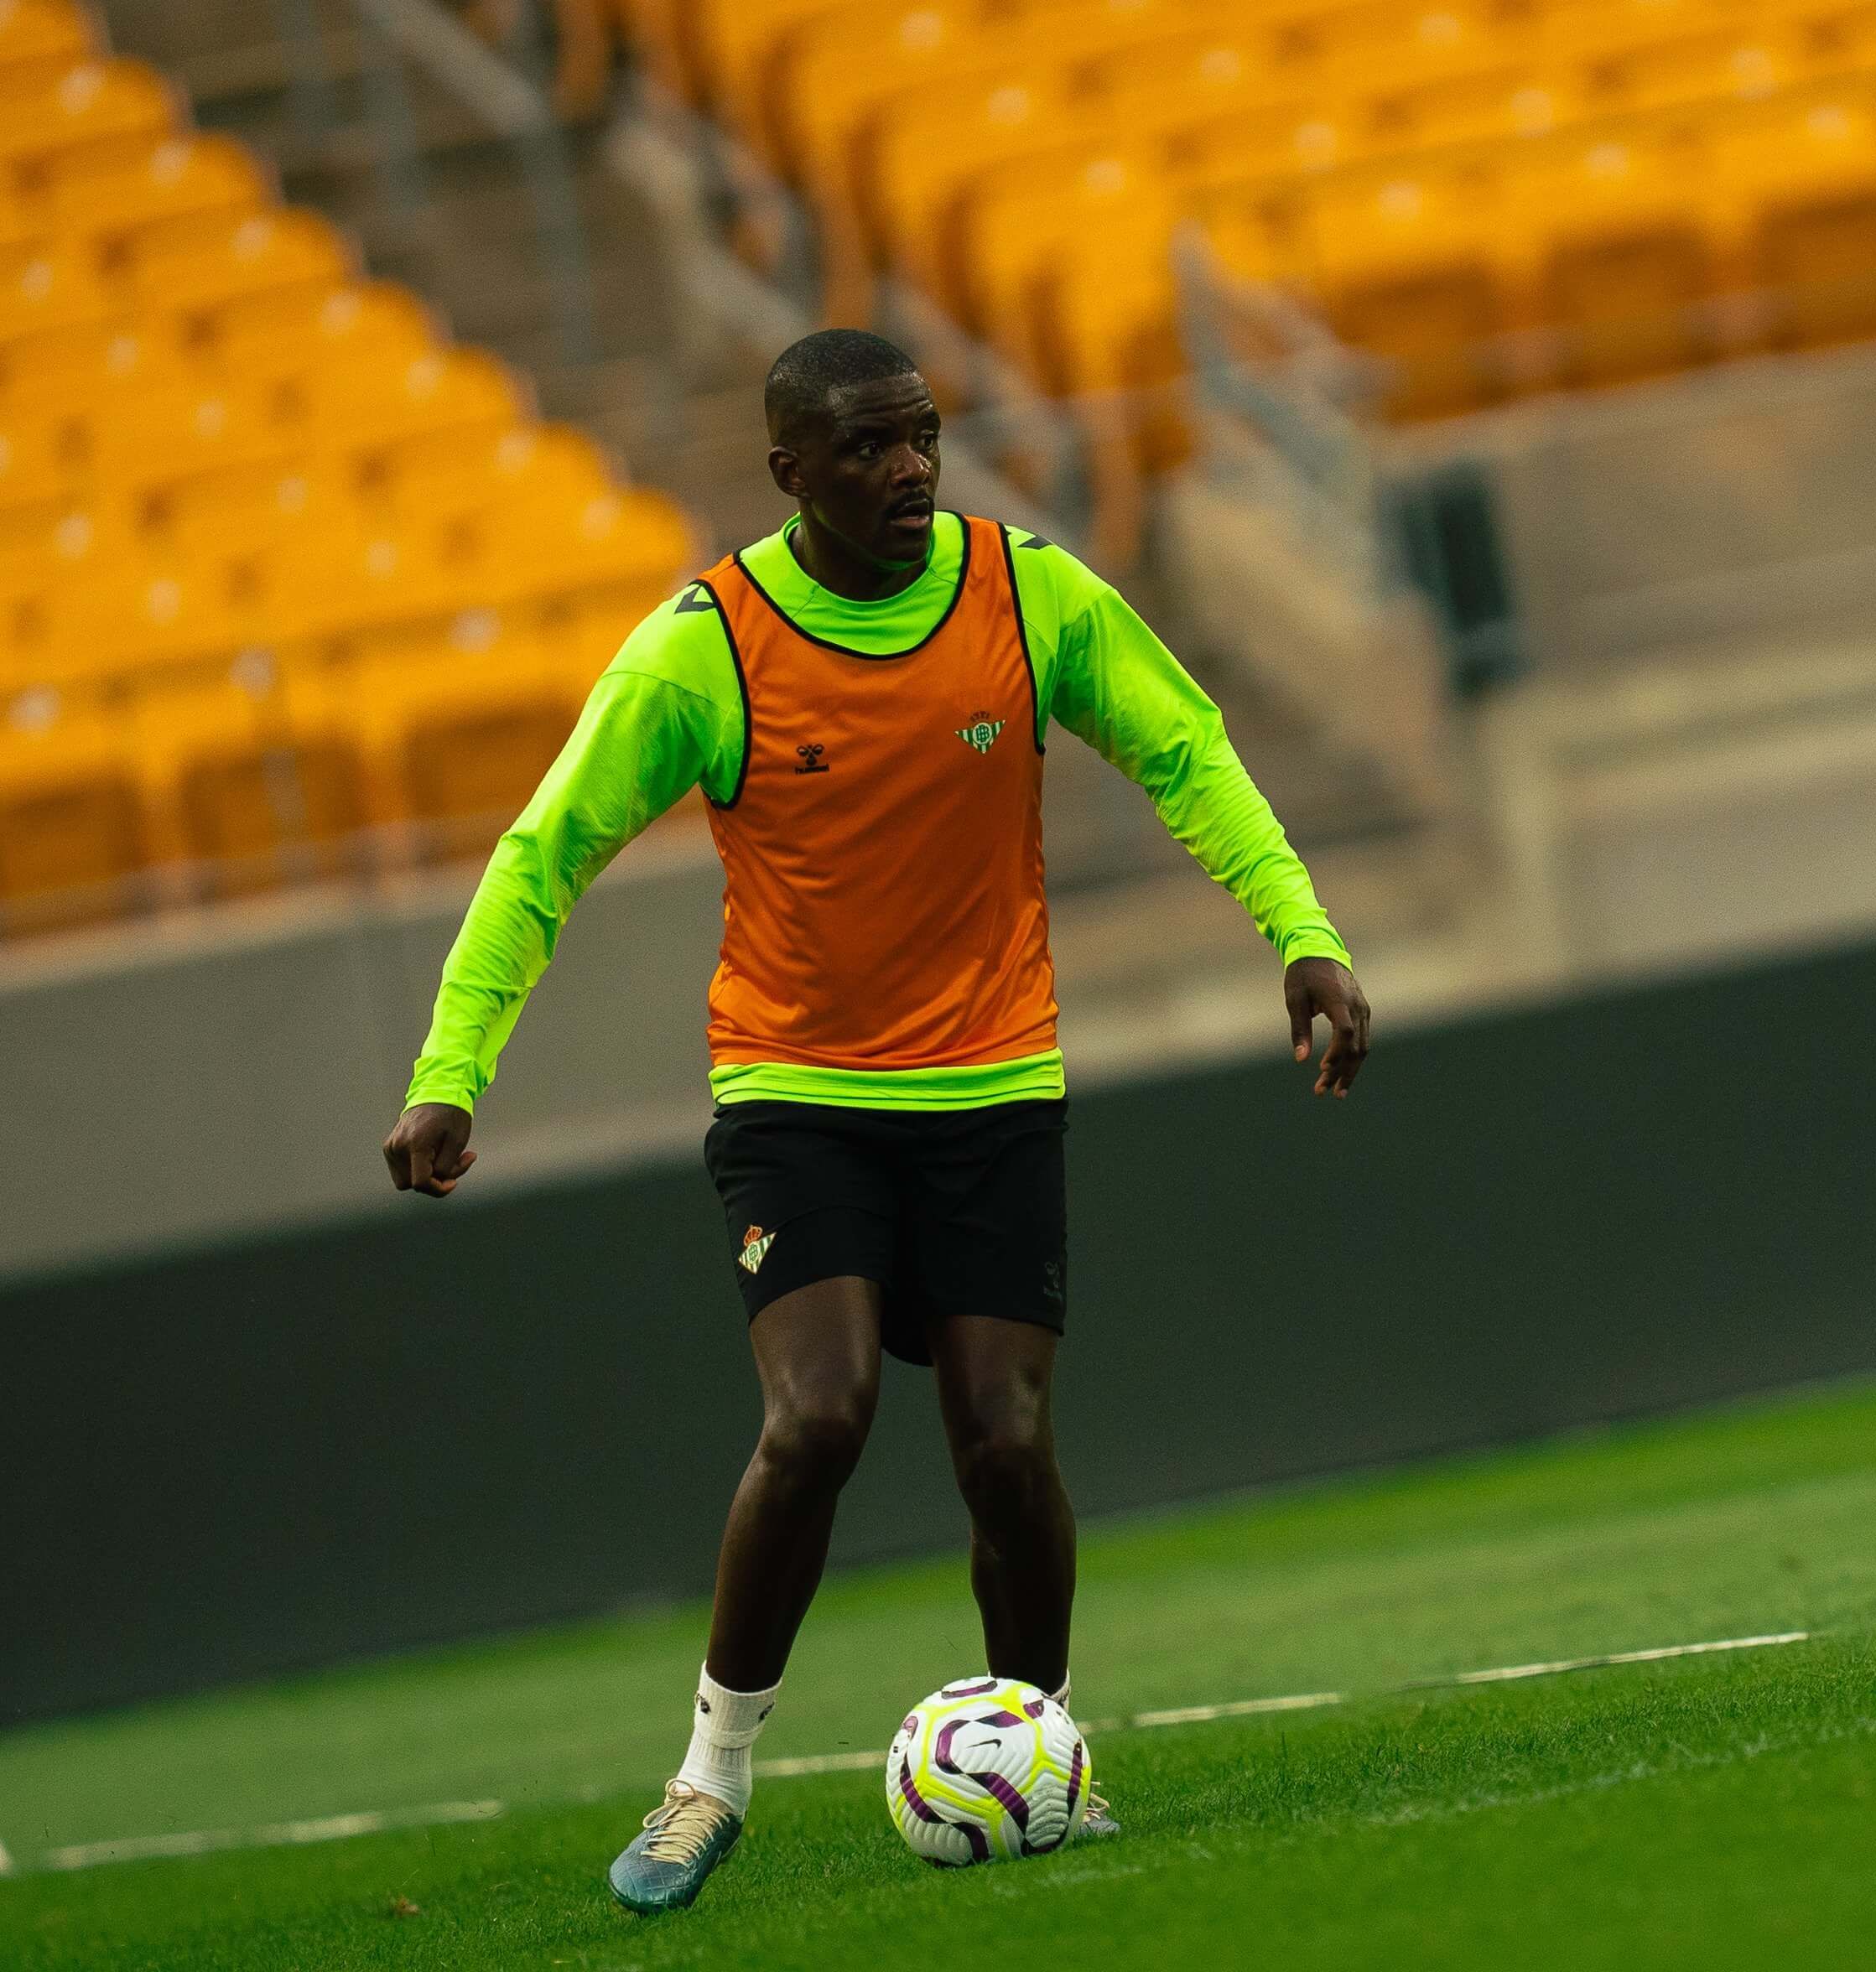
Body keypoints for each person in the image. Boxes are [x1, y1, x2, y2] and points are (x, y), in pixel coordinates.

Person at [381, 329, 1372, 1910]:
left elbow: (1186, 750)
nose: (910, 469)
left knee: (1006, 1438)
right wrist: (453, 1068)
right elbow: (540, 854)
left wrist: (1300, 930)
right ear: (790, 472)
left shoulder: (1025, 592)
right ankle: (710, 1777)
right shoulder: (704, 649)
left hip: (992, 1087)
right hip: (800, 1100)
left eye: (922, 436)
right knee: (820, 1415)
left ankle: (1038, 1749)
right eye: (867, 449)